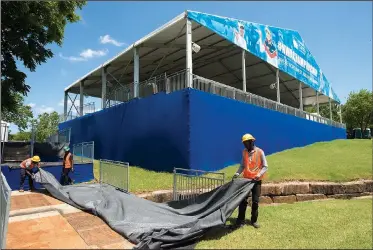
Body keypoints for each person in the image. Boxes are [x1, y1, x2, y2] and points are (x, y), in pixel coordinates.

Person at [232, 133, 268, 229]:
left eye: (246, 143)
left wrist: (258, 175)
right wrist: (237, 173)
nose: (245, 145)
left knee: (255, 201)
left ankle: (254, 221)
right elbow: (242, 165)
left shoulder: (260, 152)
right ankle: (240, 221)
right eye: (244, 143)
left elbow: (265, 166)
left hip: (256, 181)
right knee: (242, 200)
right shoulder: (244, 152)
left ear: (252, 142)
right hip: (246, 180)